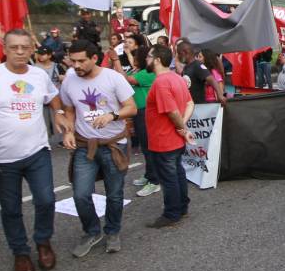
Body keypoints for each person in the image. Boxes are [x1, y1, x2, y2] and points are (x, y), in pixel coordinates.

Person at [0, 29, 68, 271]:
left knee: (46, 200)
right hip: (2, 159)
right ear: (4, 48)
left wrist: (60, 115)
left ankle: (43, 242)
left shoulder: (38, 75)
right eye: (14, 47)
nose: (20, 52)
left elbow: (53, 99)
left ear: (32, 49)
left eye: (25, 47)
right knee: (10, 208)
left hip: (37, 153)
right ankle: (20, 251)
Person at [59, 40, 137, 257]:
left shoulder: (113, 78)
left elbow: (131, 108)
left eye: (81, 61)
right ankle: (92, 231)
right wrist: (68, 130)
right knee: (81, 194)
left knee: (114, 194)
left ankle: (112, 231)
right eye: (72, 61)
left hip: (113, 144)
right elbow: (69, 109)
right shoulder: (69, 80)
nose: (76, 65)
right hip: (85, 146)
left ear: (94, 58)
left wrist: (111, 115)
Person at [143, 45, 195, 228]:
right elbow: (189, 103)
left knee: (169, 177)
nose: (146, 59)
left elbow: (172, 112)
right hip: (173, 138)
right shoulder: (176, 77)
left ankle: (172, 213)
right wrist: (183, 127)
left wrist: (183, 128)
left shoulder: (161, 82)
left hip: (164, 140)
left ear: (157, 60)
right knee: (177, 172)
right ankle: (182, 207)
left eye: (149, 56)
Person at [128, 46, 161, 197]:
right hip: (138, 112)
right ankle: (149, 174)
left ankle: (154, 181)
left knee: (149, 147)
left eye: (136, 57)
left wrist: (115, 61)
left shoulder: (147, 73)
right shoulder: (136, 71)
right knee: (144, 146)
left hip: (145, 112)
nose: (133, 60)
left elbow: (125, 79)